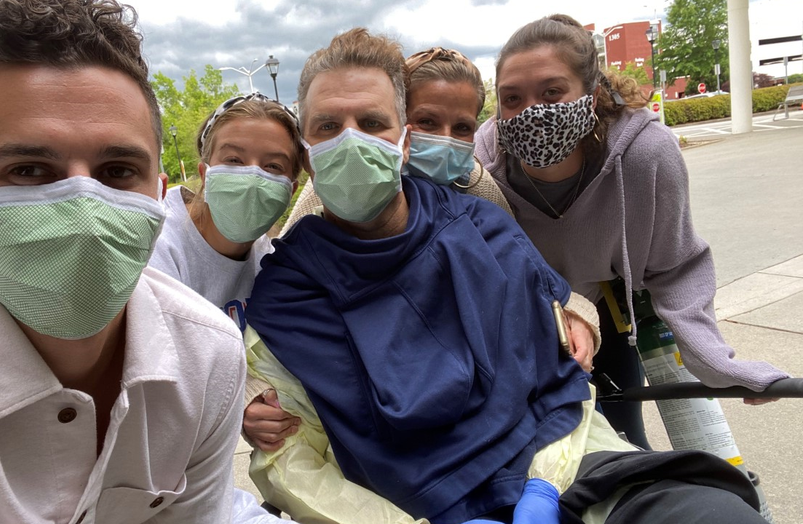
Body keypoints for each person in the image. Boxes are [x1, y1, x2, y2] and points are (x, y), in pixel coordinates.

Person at [242, 27, 766, 524]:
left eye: (373, 123)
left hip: (562, 459)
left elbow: (561, 375)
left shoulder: (482, 224)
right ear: (307, 157)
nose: (351, 143)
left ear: (402, 143)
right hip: (406, 501)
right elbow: (289, 458)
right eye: (328, 127)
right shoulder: (286, 296)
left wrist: (544, 484)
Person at [0, 1, 245, 522]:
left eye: (117, 170)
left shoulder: (209, 359)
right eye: (28, 169)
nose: (83, 205)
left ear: (159, 199)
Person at [473, 14, 789, 449]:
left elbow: (675, 266)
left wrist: (718, 365)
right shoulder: (482, 170)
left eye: (551, 91)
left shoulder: (645, 156)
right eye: (512, 98)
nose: (533, 112)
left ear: (593, 94)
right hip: (519, 324)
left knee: (623, 437)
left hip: (606, 313)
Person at [280, 46, 602, 371]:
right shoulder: (340, 181)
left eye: (462, 128)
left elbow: (525, 268)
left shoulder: (474, 188)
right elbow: (286, 269)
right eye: (427, 122)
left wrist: (576, 313)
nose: (444, 140)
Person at [148, 92, 303, 522]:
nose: (252, 176)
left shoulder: (268, 259)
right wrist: (237, 408)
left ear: (291, 190)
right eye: (234, 161)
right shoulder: (158, 250)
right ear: (204, 172)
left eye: (273, 167)